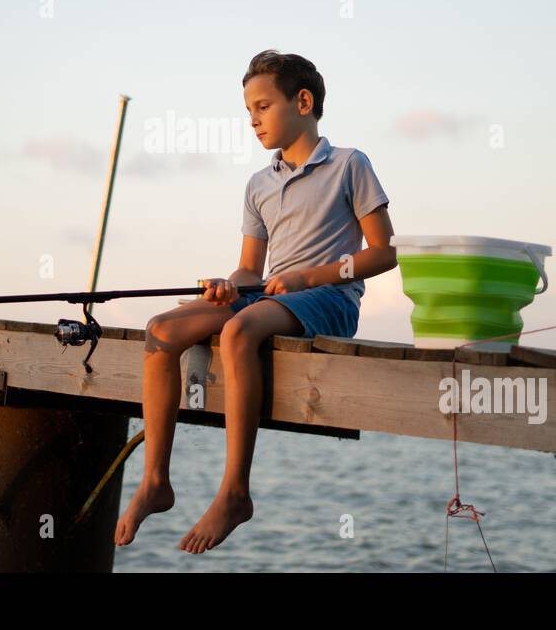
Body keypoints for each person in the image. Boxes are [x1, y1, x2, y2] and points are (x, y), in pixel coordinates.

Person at [114, 49, 396, 553]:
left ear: (303, 101)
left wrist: (312, 275)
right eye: (248, 111)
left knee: (237, 331)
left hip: (329, 299)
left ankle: (235, 493)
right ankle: (155, 481)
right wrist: (228, 284)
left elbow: (383, 253)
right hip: (270, 297)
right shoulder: (258, 184)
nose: (253, 121)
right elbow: (250, 268)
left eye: (263, 107)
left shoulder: (350, 165)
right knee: (161, 329)